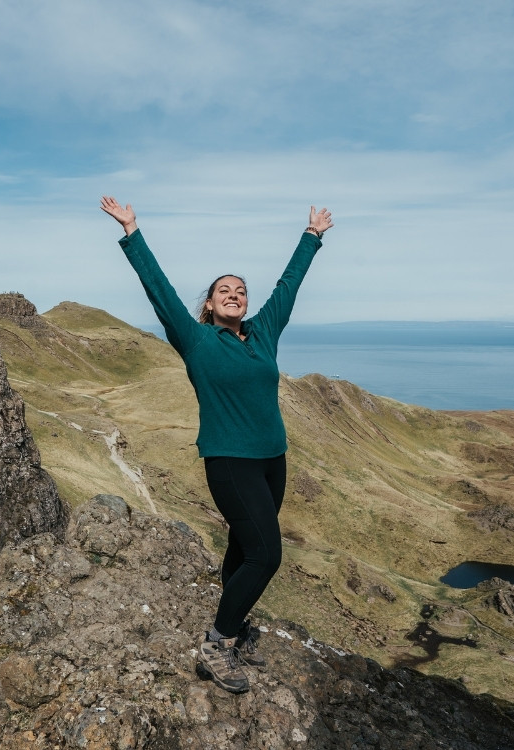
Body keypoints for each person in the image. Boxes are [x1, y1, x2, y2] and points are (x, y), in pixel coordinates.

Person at [99, 196, 333, 693]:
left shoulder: (262, 334)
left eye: (241, 290)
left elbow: (288, 288)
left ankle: (234, 623)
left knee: (243, 545)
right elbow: (158, 290)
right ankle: (216, 642)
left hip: (273, 460)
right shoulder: (196, 340)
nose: (234, 294)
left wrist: (311, 237)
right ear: (208, 304)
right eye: (224, 290)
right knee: (266, 555)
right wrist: (132, 231)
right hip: (231, 461)